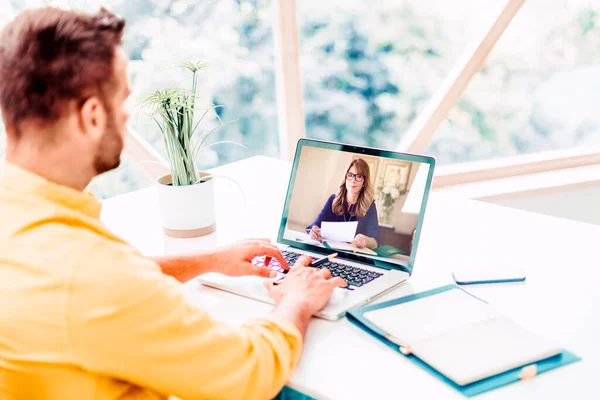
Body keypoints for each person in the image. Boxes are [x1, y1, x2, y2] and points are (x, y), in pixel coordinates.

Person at [0, 7, 346, 400]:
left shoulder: (19, 218)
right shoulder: (91, 272)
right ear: (92, 116)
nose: (127, 114)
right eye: (122, 99)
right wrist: (295, 301)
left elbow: (79, 283)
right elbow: (248, 374)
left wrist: (207, 260)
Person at [308, 158, 381, 250]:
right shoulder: (333, 199)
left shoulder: (370, 206)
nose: (353, 180)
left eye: (359, 176)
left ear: (364, 182)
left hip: (353, 257)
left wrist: (366, 241)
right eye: (350, 175)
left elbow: (376, 242)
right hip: (329, 251)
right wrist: (313, 231)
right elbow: (315, 225)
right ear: (345, 177)